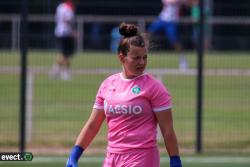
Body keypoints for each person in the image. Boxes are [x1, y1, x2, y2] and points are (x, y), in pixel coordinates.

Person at [65, 22, 182, 167]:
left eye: (144, 57)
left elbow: (167, 130)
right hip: (112, 157)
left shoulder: (155, 88)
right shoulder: (107, 85)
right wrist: (74, 155)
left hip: (142, 157)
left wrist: (175, 160)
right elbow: (92, 125)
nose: (142, 62)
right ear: (122, 57)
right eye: (136, 58)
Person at [148, 0, 189, 71]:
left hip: (172, 21)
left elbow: (187, 3)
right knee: (148, 33)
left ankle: (183, 60)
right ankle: (141, 54)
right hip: (162, 19)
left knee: (174, 41)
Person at [50, 0, 76, 80]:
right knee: (66, 53)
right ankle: (63, 72)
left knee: (64, 53)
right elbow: (67, 20)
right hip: (66, 32)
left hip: (59, 31)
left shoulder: (60, 7)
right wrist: (73, 31)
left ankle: (57, 70)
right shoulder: (68, 7)